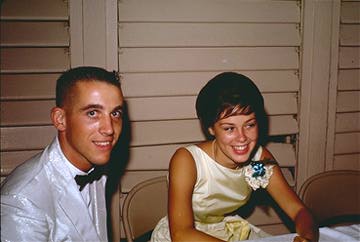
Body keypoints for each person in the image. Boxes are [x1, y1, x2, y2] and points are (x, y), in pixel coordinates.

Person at [151, 72, 319, 242]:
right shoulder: (187, 161)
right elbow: (181, 234)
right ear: (211, 129)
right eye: (229, 128)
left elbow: (299, 211)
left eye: (250, 125)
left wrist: (307, 237)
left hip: (225, 233)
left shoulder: (259, 160)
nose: (242, 138)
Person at [1, 66, 125, 242]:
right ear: (60, 119)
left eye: (115, 113)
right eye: (92, 113)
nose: (109, 129)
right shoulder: (21, 201)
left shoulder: (97, 166)